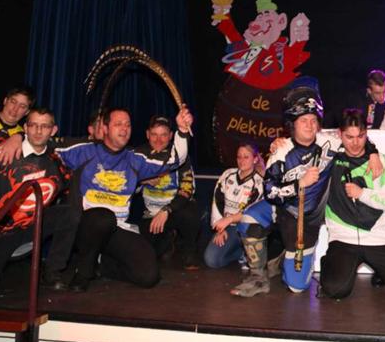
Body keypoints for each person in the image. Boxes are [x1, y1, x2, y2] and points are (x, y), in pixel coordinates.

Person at [230, 78, 382, 297]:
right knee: (249, 218)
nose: (310, 125)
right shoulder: (281, 151)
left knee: (297, 286)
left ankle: (281, 259)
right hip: (282, 209)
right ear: (293, 124)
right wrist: (298, 184)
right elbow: (270, 191)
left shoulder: (329, 141)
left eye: (313, 120)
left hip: (308, 219)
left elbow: (356, 139)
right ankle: (257, 277)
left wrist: (373, 153)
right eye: (304, 120)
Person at [55, 106, 193, 292]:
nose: (124, 128)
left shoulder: (135, 159)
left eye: (127, 125)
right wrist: (18, 138)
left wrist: (182, 131)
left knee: (149, 276)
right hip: (85, 226)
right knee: (102, 217)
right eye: (118, 124)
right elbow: (46, 144)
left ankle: (102, 265)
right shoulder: (84, 150)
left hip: (117, 227)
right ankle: (84, 272)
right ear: (105, 128)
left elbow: (174, 160)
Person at [0, 108, 74, 294]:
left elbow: (69, 183)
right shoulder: (6, 154)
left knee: (70, 213)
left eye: (44, 126)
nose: (38, 131)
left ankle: (53, 272)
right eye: (33, 125)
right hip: (2, 231)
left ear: (53, 130)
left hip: (34, 225)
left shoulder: (56, 159)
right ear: (25, 128)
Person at [320, 108, 385, 299]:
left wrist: (362, 193)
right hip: (342, 237)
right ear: (339, 134)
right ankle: (329, 262)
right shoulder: (329, 156)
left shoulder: (380, 161)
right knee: (337, 290)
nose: (355, 143)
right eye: (349, 137)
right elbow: (305, 138)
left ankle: (380, 270)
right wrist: (280, 143)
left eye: (361, 136)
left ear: (366, 134)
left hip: (377, 237)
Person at [135, 116, 201, 270]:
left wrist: (167, 209)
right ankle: (168, 240)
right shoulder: (138, 155)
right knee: (146, 257)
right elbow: (124, 186)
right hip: (151, 215)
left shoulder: (180, 156)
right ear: (147, 134)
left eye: (164, 135)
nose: (158, 140)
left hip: (174, 211)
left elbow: (187, 190)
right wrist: (142, 181)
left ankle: (189, 251)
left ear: (171, 135)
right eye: (154, 134)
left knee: (190, 213)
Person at [204, 142, 264, 268]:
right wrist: (220, 228)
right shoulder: (228, 175)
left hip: (245, 227)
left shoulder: (259, 182)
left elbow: (249, 212)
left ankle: (248, 249)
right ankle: (241, 252)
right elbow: (217, 201)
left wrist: (229, 220)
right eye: (239, 157)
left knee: (250, 225)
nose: (242, 161)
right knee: (211, 260)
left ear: (255, 159)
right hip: (226, 226)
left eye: (246, 157)